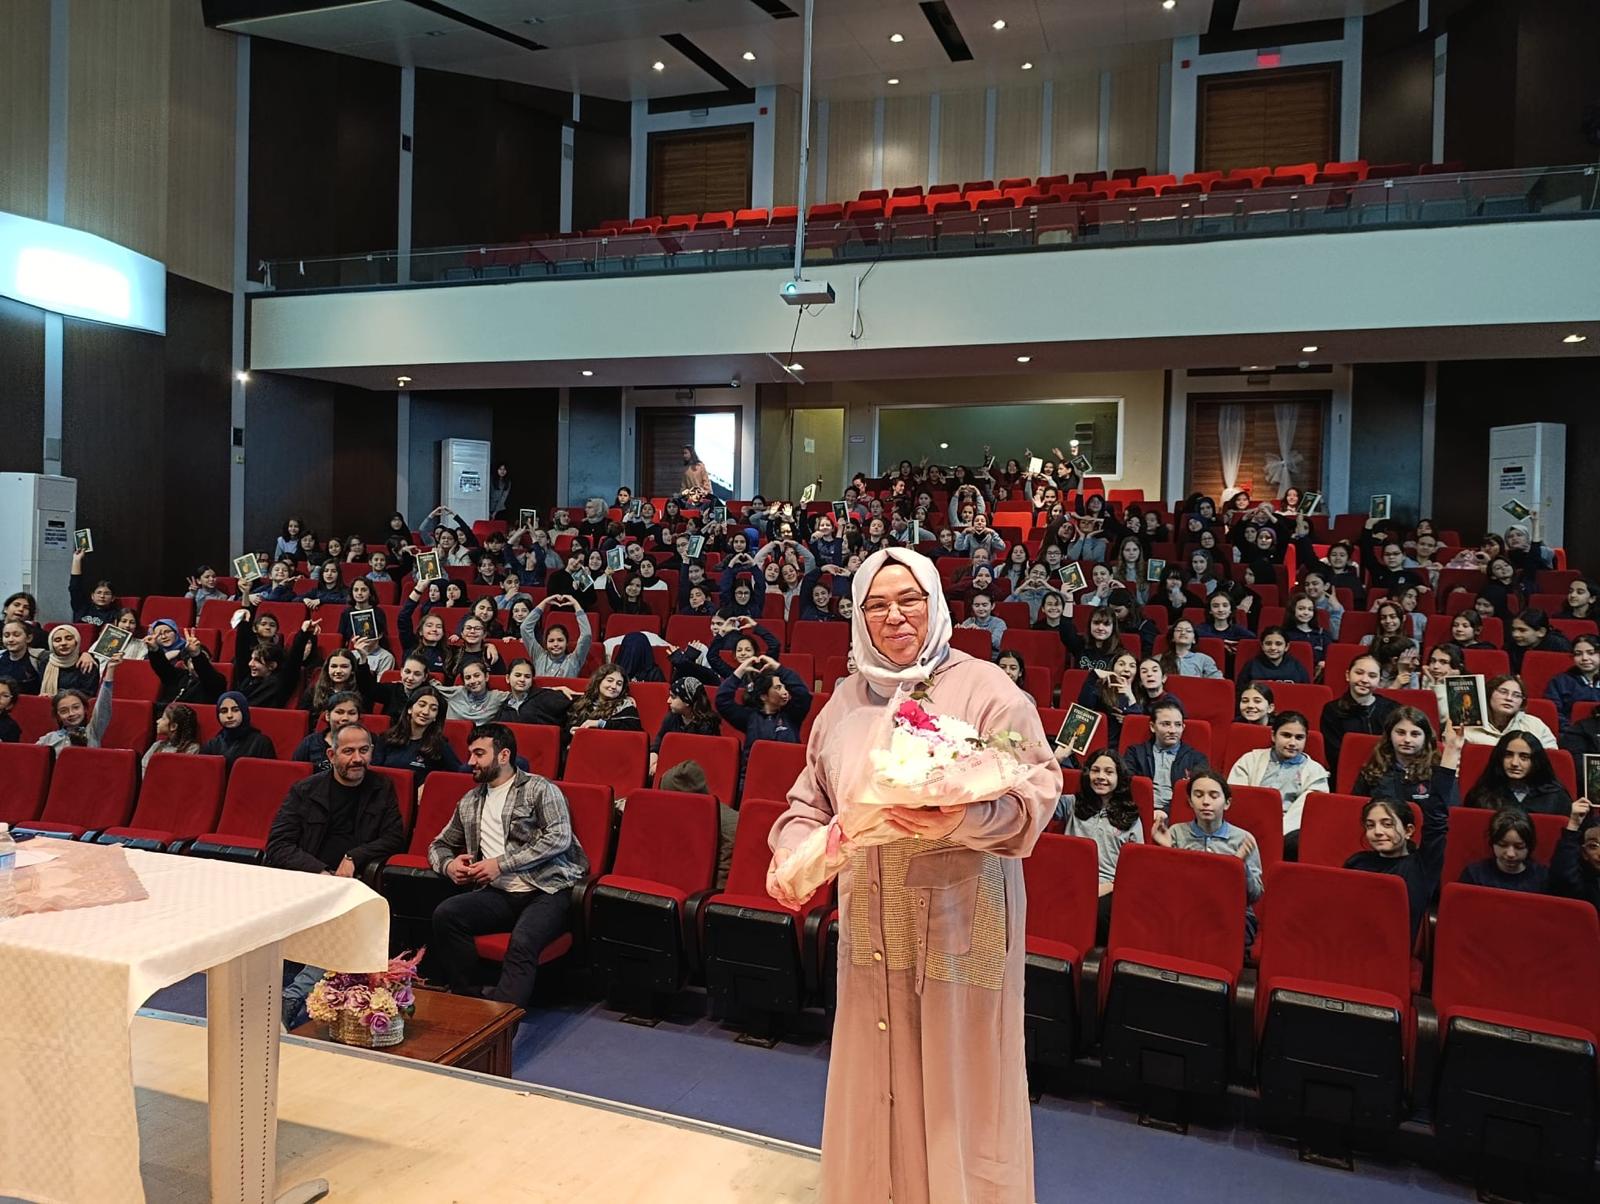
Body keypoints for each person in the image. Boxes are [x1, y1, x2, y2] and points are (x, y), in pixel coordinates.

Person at [765, 547, 1057, 1204]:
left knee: (960, 1089)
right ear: (859, 616)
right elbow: (808, 802)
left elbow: (1036, 789)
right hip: (872, 920)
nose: (894, 616)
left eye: (909, 600)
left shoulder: (986, 688)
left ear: (935, 603)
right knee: (875, 1076)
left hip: (961, 925)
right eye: (876, 605)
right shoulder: (842, 703)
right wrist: (798, 853)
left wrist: (961, 816)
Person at [429, 724, 590, 1008]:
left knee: (522, 941)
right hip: (500, 894)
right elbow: (438, 844)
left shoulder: (539, 788)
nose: (470, 761)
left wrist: (501, 864)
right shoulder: (470, 801)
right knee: (446, 915)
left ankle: (501, 1024)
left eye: (479, 754)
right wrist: (449, 865)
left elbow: (559, 837)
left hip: (547, 890)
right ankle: (470, 1004)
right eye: (470, 753)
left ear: (503, 755)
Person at [267, 722, 408, 1025]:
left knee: (347, 911)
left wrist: (354, 857)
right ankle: (292, 995)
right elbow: (278, 845)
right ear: (331, 755)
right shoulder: (305, 790)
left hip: (356, 885)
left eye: (364, 750)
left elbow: (395, 837)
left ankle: (292, 997)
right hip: (307, 881)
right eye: (348, 751)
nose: (357, 758)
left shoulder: (381, 788)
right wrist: (320, 872)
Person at [1342, 720, 1462, 940]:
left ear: (1408, 831)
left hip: (1394, 948)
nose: (1378, 831)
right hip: (1349, 941)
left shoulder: (1422, 864)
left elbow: (1437, 818)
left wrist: (1452, 751)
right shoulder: (1356, 862)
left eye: (1387, 824)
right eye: (1370, 825)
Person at [1150, 770, 1264, 944]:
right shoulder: (1176, 833)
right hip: (1187, 910)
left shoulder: (1243, 839)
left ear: (1227, 803)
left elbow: (1255, 895)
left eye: (1213, 796)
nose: (1205, 802)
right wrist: (1169, 851)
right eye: (1198, 795)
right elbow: (1168, 888)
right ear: (1190, 802)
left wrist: (1238, 867)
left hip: (1230, 913)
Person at [1053, 749, 1143, 942]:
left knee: (1101, 914)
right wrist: (1056, 760)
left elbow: (1137, 869)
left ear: (1119, 778)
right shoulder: (1071, 803)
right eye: (1095, 770)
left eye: (1109, 772)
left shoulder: (1131, 816)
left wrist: (1108, 887)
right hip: (1070, 882)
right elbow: (1041, 798)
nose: (1101, 777)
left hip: (1109, 887)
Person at [1228, 710, 1329, 854]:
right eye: (1286, 735)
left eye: (1299, 737)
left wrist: (1275, 834)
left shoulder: (1316, 773)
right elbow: (1237, 798)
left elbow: (1307, 813)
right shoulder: (1250, 760)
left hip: (1288, 834)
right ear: (1273, 736)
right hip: (1247, 826)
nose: (1292, 743)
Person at [1122, 698, 1208, 811]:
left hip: (1179, 812)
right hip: (1138, 810)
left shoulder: (1197, 759)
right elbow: (1127, 787)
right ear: (1152, 727)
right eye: (1166, 724)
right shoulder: (1135, 753)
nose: (1172, 730)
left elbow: (1197, 794)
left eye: (1178, 725)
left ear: (1183, 727)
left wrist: (1166, 811)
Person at [716, 655, 811, 756]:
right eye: (778, 688)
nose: (785, 692)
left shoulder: (792, 714)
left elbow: (803, 694)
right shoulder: (750, 717)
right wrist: (739, 672)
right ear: (764, 696)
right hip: (756, 766)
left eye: (785, 687)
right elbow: (723, 701)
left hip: (788, 764)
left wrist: (779, 668)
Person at [1320, 653, 1398, 773]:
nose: (1364, 680)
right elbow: (1334, 755)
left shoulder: (1392, 709)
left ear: (1379, 681)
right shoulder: (1332, 710)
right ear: (1348, 675)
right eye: (1359, 673)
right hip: (1346, 772)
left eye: (1372, 676)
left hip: (1386, 772)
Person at [1462, 730, 1573, 814]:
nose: (1514, 763)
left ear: (1536, 761)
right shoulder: (1481, 794)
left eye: (1524, 757)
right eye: (1508, 755)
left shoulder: (1556, 797)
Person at [373, 686, 463, 781]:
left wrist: (429, 785)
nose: (426, 712)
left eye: (433, 709)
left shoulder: (440, 745)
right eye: (422, 705)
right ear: (410, 709)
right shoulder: (386, 738)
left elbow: (458, 774)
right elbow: (374, 772)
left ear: (436, 717)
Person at [38, 656, 120, 755]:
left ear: (84, 708)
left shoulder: (93, 732)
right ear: (57, 715)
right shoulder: (48, 739)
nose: (71, 713)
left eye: (76, 707)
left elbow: (103, 707)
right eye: (64, 711)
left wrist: (110, 669)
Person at [1459, 807, 1550, 893]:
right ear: (1493, 843)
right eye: (1502, 845)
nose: (1510, 854)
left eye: (1519, 847)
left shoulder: (1543, 878)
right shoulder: (1474, 875)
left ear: (1529, 846)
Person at [650, 676, 721, 776]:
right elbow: (658, 743)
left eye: (673, 697)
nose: (668, 701)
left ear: (687, 701)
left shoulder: (707, 725)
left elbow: (699, 759)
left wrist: (663, 766)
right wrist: (652, 761)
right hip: (672, 771)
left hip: (694, 773)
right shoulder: (671, 717)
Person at [519, 595, 593, 678]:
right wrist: (544, 603)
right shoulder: (539, 656)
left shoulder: (574, 660)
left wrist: (576, 604)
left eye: (560, 640)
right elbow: (525, 628)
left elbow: (586, 635)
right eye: (551, 641)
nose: (555, 644)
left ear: (567, 642)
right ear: (546, 643)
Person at [292, 692, 365, 774]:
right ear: (327, 715)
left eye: (352, 713)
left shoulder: (369, 743)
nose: (345, 718)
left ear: (358, 718)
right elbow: (295, 772)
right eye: (339, 712)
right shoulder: (310, 742)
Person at [1550, 798, 1600, 915]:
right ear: (1584, 853)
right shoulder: (1584, 885)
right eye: (1593, 846)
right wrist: (1573, 826)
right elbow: (1564, 877)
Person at [200, 692, 277, 764]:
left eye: (235, 710)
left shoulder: (261, 743)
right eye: (224, 711)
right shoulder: (211, 745)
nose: (229, 715)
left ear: (244, 712)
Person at [1545, 635, 1600, 732]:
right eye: (1578, 654)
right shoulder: (1560, 681)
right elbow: (1554, 712)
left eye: (1591, 653)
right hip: (1571, 732)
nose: (1584, 658)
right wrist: (1572, 731)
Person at [1235, 626, 1310, 691]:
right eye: (1268, 643)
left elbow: (1306, 691)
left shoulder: (1296, 666)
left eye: (1278, 644)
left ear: (1286, 647)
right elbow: (1240, 691)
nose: (1273, 648)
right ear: (1262, 646)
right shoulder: (1251, 665)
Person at [39, 625, 99, 697]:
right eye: (57, 640)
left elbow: (88, 694)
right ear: (51, 644)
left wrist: (57, 697)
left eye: (69, 639)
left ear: (76, 641)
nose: (63, 643)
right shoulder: (45, 662)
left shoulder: (87, 662)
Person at [142, 702, 201, 770]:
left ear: (173, 726)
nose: (158, 721)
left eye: (163, 719)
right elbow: (144, 769)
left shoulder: (192, 748)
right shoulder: (157, 745)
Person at [958, 592, 1006, 657]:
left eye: (984, 605)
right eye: (977, 605)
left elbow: (998, 644)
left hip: (992, 658)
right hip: (971, 656)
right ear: (972, 606)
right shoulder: (968, 621)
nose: (980, 609)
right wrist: (959, 632)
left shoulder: (999, 623)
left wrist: (980, 632)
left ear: (992, 606)